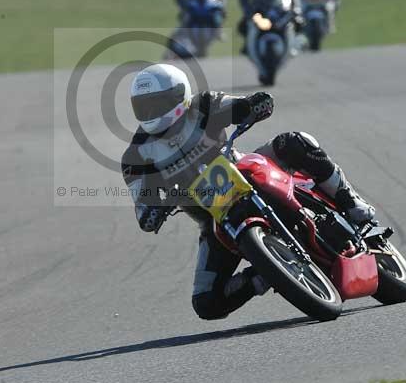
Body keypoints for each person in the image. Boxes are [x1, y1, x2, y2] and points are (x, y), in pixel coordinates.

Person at [120, 63, 375, 321]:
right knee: (206, 302)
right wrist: (151, 211)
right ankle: (263, 274)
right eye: (144, 106)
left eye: (158, 103)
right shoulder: (135, 157)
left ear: (179, 95)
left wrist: (255, 105)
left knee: (294, 142)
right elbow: (142, 206)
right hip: (213, 219)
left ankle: (350, 200)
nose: (151, 112)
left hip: (244, 170)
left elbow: (239, 105)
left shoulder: (204, 106)